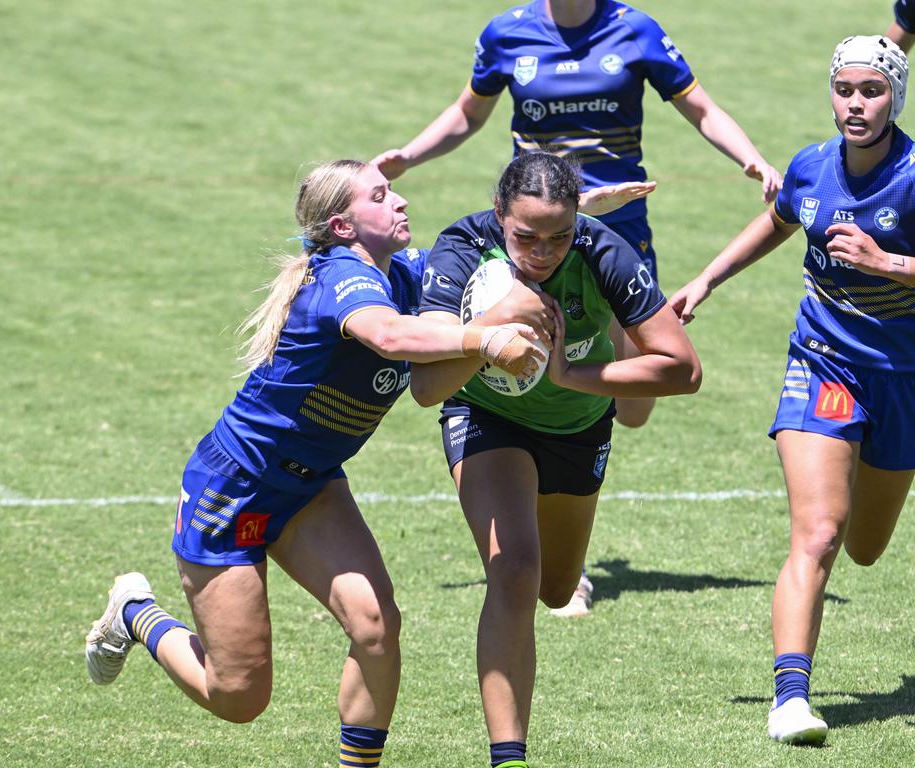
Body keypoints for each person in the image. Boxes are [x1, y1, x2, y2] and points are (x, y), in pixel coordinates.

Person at [83, 160, 548, 768]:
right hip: (235, 492)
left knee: (376, 629)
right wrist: (483, 339)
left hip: (312, 491)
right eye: (381, 195)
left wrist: (568, 210)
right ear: (344, 226)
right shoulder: (340, 279)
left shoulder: (404, 274)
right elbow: (391, 338)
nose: (401, 200)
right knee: (238, 697)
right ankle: (136, 612)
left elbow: (481, 252)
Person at [410, 151, 701, 768]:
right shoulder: (463, 247)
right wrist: (496, 323)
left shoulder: (602, 249)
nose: (542, 252)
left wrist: (571, 373)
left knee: (556, 587)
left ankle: (612, 328)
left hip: (577, 425)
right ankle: (508, 758)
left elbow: (684, 369)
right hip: (487, 415)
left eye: (559, 236)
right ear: (498, 216)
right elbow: (427, 386)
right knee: (514, 572)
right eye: (526, 236)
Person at [374, 0, 780, 434]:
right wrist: (408, 155)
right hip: (535, 235)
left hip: (620, 228)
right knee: (524, 356)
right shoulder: (507, 33)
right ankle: (518, 452)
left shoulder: (635, 29)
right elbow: (467, 113)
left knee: (633, 411)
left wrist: (750, 158)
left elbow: (702, 108)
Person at [671, 36, 914, 746]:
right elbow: (781, 220)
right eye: (845, 90)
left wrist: (888, 262)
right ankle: (791, 699)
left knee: (868, 547)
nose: (856, 104)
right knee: (820, 531)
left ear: (895, 95)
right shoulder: (811, 167)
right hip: (825, 364)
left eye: (872, 90)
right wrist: (706, 280)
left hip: (902, 379)